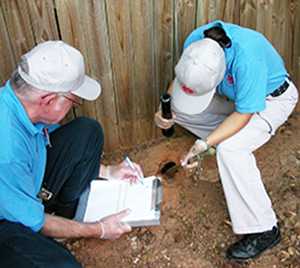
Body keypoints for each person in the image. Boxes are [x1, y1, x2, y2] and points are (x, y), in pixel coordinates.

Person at [155, 20, 298, 261]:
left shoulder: (247, 59)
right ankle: (228, 139)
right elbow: (181, 84)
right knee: (180, 106)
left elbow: (244, 113)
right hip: (233, 97)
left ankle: (264, 229)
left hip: (270, 100)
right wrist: (164, 109)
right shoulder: (198, 42)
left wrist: (206, 143)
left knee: (231, 150)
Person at [0, 41, 144, 268]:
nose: (74, 106)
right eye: (73, 101)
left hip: (22, 187)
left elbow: (44, 147)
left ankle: (64, 221)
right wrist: (100, 229)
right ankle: (50, 238)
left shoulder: (20, 106)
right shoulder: (7, 151)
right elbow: (32, 220)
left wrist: (107, 171)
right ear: (47, 100)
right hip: (7, 219)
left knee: (87, 131)